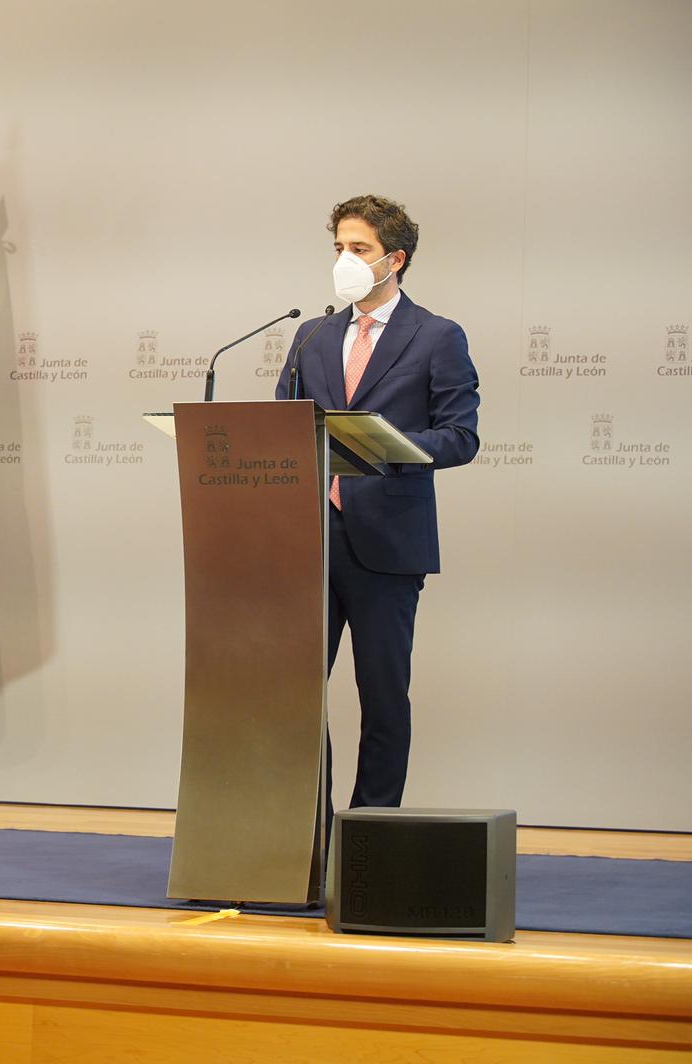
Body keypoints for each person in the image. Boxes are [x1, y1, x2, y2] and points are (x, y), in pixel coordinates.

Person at [276, 195, 479, 811]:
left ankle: (371, 832)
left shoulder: (437, 336)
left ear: (396, 259)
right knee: (294, 696)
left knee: (383, 696)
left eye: (359, 249)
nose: (345, 259)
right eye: (338, 247)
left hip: (388, 541)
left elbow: (461, 437)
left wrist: (383, 446)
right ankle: (309, 835)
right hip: (313, 539)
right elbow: (283, 427)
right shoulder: (312, 334)